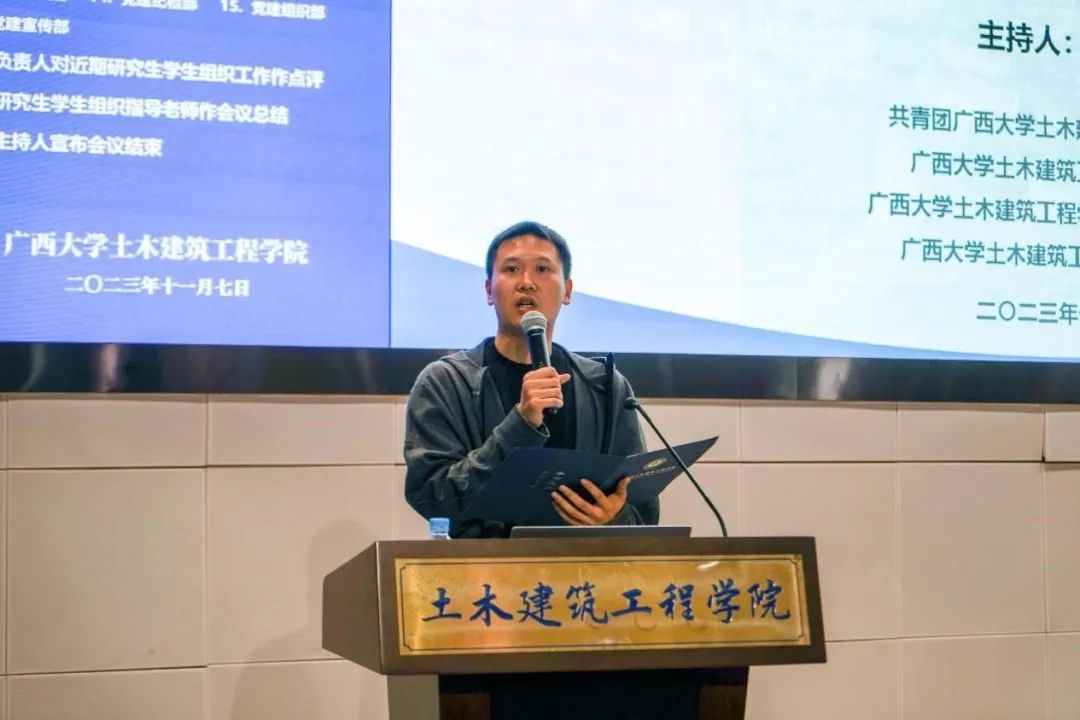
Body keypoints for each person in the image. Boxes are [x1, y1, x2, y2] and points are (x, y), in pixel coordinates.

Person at [403, 220, 658, 538]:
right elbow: (433, 498)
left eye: (542, 269)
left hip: (584, 567)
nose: (526, 283)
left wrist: (615, 518)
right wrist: (520, 425)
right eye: (511, 269)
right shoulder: (446, 383)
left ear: (567, 291)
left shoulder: (605, 386)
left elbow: (644, 508)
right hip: (485, 567)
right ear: (489, 290)